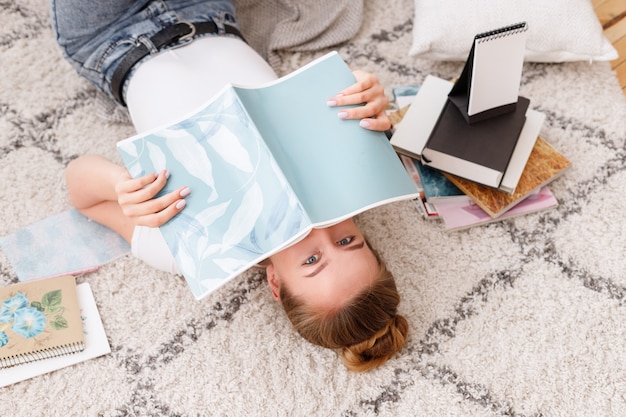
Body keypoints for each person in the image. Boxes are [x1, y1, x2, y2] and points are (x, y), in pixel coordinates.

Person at [52, 0, 408, 372]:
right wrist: (364, 92)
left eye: (312, 260)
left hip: (110, 38)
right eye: (348, 241)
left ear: (275, 283)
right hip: (210, 11)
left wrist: (120, 187)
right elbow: (349, 92)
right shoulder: (345, 172)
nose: (322, 231)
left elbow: (82, 192)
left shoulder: (189, 250)